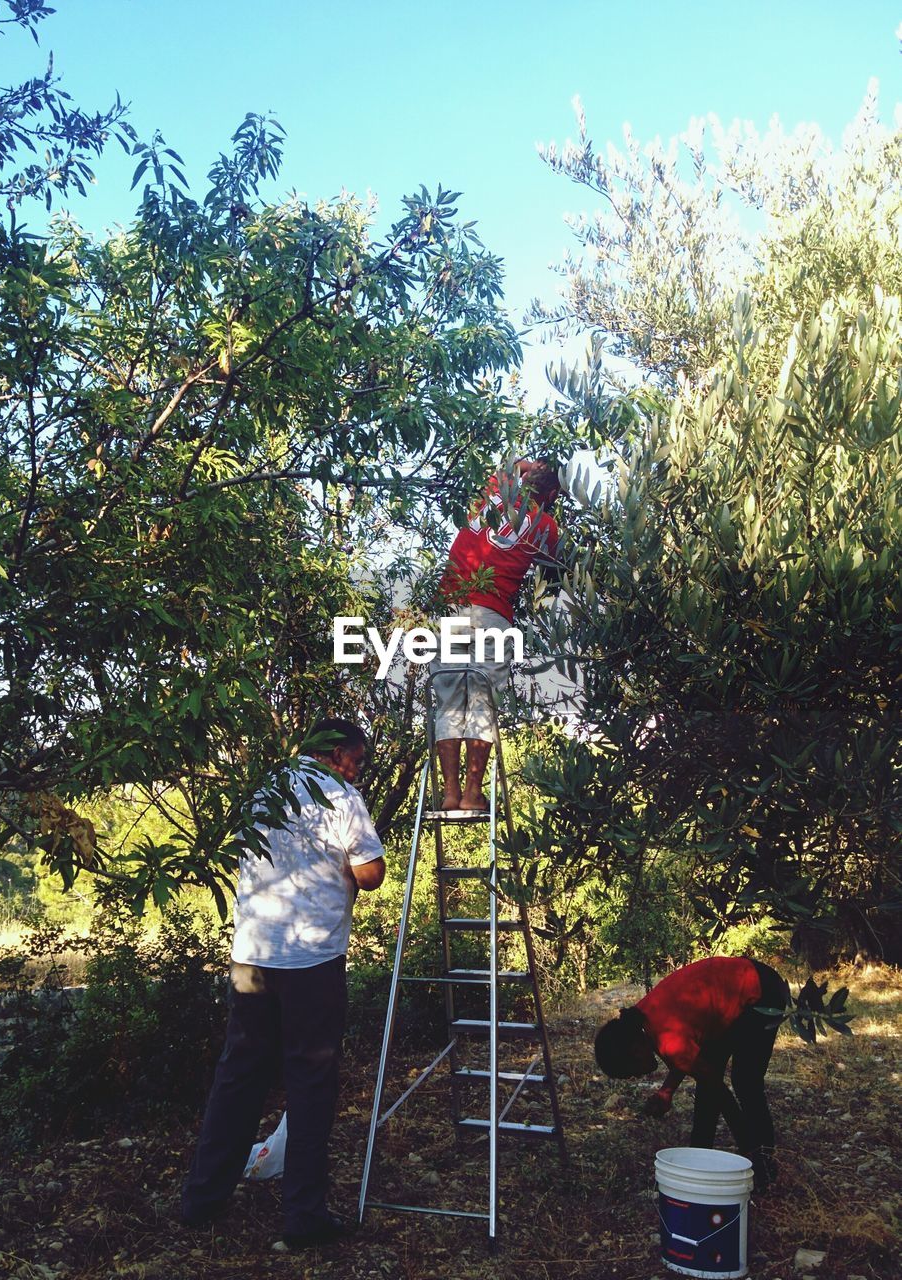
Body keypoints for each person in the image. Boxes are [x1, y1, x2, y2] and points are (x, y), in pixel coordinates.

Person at [181, 718, 386, 1248]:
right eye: (358, 761)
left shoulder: (264, 789)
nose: (359, 771)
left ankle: (201, 1200)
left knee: (239, 1075)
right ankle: (303, 1218)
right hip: (311, 960)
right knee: (311, 1081)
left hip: (252, 955)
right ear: (339, 755)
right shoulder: (342, 796)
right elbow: (371, 872)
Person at [430, 458, 562, 811]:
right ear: (550, 493)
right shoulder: (546, 526)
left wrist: (529, 467)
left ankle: (449, 794)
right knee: (482, 702)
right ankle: (472, 795)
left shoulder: (492, 490)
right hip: (493, 614)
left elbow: (511, 463)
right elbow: (554, 578)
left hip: (453, 610)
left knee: (449, 702)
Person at [593, 955, 790, 1189]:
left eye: (632, 1072)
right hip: (733, 991)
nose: (638, 1076)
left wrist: (746, 1145)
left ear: (635, 1050)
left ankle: (764, 1164)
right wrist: (667, 1092)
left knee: (745, 1082)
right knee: (708, 1079)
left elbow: (720, 1092)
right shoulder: (644, 1019)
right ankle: (699, 1160)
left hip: (761, 991)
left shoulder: (667, 1040)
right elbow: (692, 1060)